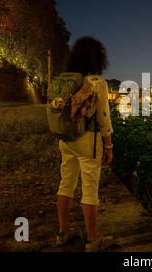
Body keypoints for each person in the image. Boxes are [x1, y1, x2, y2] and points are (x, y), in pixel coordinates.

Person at [55, 37, 114, 252]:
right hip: (88, 140)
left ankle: (62, 233)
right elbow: (104, 119)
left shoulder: (64, 80)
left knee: (66, 183)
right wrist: (108, 146)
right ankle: (92, 239)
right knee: (90, 188)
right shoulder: (97, 82)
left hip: (66, 139)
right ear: (98, 58)